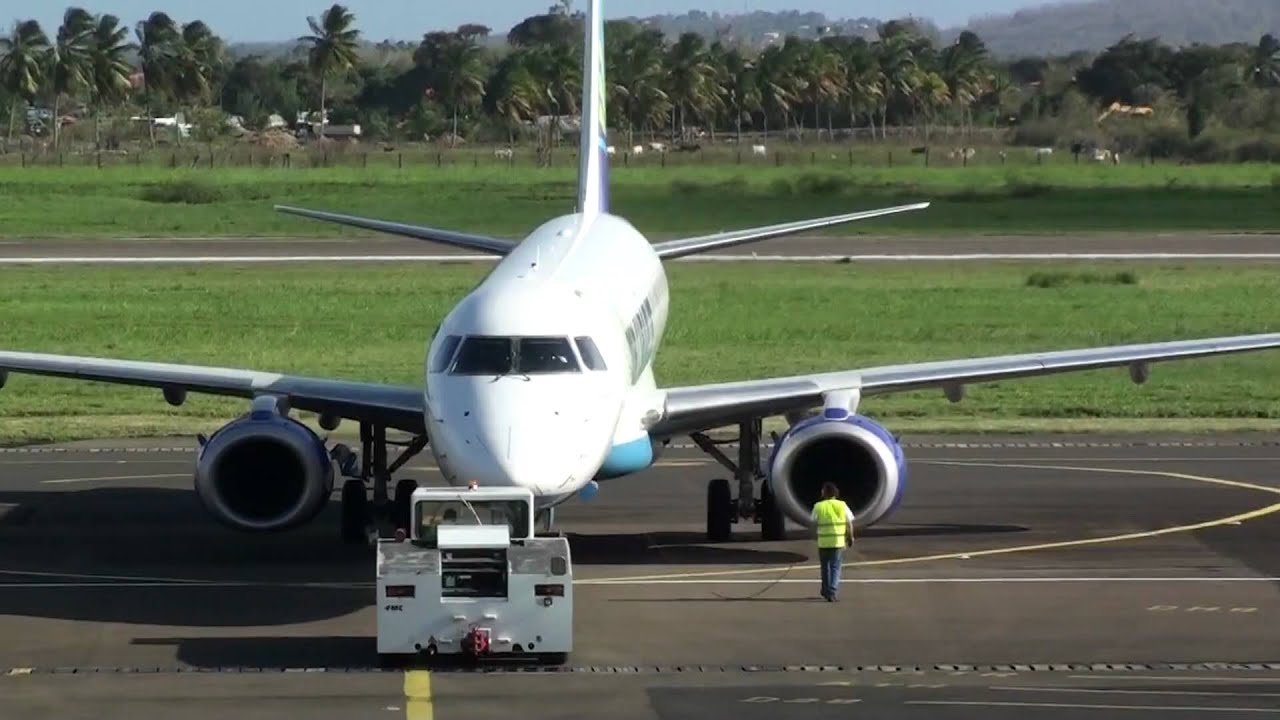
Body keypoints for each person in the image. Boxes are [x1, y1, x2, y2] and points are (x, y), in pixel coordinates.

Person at [811, 482, 855, 602]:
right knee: (835, 567)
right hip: (838, 542)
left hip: (823, 542)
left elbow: (813, 522)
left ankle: (825, 590)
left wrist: (815, 536)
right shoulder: (842, 505)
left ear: (823, 493)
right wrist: (850, 537)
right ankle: (832, 590)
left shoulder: (818, 506)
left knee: (825, 567)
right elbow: (849, 523)